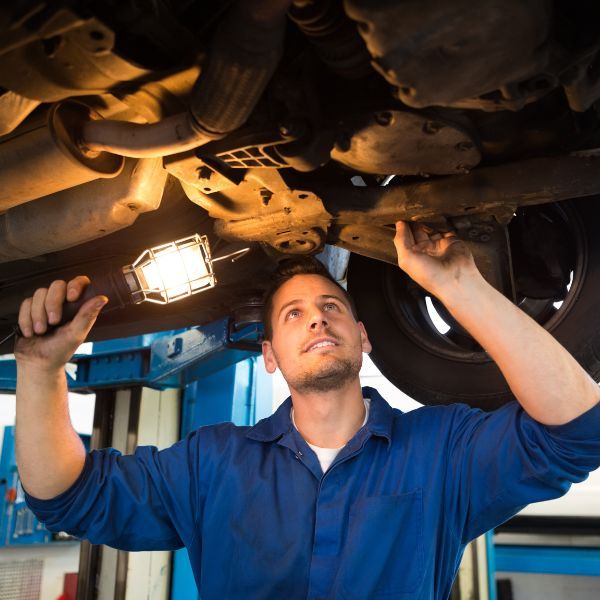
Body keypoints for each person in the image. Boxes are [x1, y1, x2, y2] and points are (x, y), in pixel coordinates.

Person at [14, 222, 600, 599]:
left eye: (331, 306)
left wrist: (461, 287)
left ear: (364, 337)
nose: (317, 317)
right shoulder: (212, 465)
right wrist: (40, 370)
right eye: (293, 314)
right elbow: (67, 497)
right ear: (269, 356)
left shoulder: (443, 450)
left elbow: (578, 431)